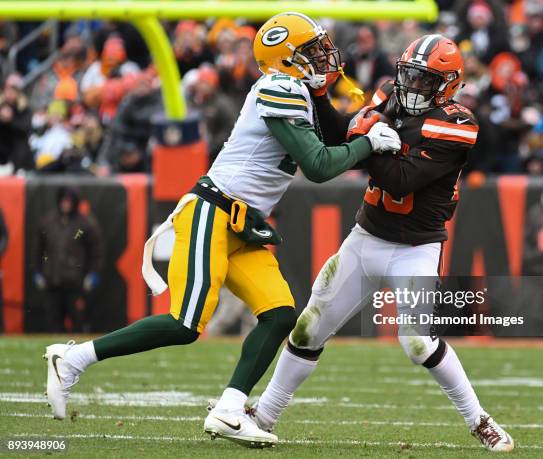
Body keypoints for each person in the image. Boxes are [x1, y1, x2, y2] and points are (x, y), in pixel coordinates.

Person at [44, 12, 400, 449]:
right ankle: (74, 358)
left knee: (280, 314)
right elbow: (321, 165)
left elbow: (342, 132)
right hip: (212, 212)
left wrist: (380, 115)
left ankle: (229, 410)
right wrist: (369, 142)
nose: (323, 56)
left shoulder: (301, 91)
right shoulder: (279, 87)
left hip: (244, 225)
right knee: (186, 323)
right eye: (311, 51)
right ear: (284, 60)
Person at [246, 34, 514, 452]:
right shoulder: (390, 94)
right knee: (308, 329)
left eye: (423, 80)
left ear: (447, 85)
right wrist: (320, 97)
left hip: (416, 248)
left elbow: (402, 177)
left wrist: (367, 139)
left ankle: (479, 419)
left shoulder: (458, 123)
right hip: (366, 236)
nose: (410, 86)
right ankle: (263, 416)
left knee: (416, 341)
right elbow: (341, 137)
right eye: (407, 75)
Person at [33, 187, 103, 332]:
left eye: (69, 201)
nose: (66, 204)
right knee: (53, 322)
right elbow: (37, 250)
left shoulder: (86, 224)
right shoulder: (48, 222)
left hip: (76, 283)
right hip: (51, 281)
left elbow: (97, 252)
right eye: (63, 200)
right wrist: (37, 271)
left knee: (78, 321)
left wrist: (93, 273)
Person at [0, 74, 33, 172]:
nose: (9, 92)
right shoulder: (1, 106)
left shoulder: (24, 109)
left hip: (18, 158)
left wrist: (10, 120)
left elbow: (25, 129)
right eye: (7, 89)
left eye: (13, 90)